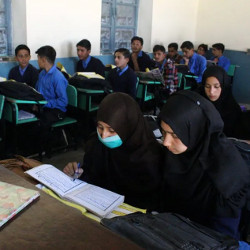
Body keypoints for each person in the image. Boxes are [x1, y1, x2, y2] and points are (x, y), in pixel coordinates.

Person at [159, 90, 249, 239]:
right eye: (164, 132)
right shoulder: (174, 155)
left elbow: (223, 238)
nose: (166, 142)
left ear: (196, 130)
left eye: (175, 135)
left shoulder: (226, 175)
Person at [63, 93, 163, 209]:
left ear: (127, 128)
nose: (104, 135)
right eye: (100, 127)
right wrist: (79, 174)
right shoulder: (96, 144)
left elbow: (149, 203)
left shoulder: (149, 157)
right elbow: (93, 176)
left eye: (112, 130)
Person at [35, 45, 68, 151]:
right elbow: (37, 92)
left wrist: (43, 104)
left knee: (43, 120)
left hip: (57, 110)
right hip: (44, 106)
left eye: (38, 58)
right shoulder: (42, 74)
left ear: (43, 59)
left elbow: (63, 101)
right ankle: (32, 147)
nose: (37, 61)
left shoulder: (57, 77)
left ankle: (44, 149)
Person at [196, 66, 242, 137]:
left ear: (224, 86)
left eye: (216, 87)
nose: (211, 92)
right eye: (207, 86)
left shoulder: (233, 110)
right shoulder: (197, 102)